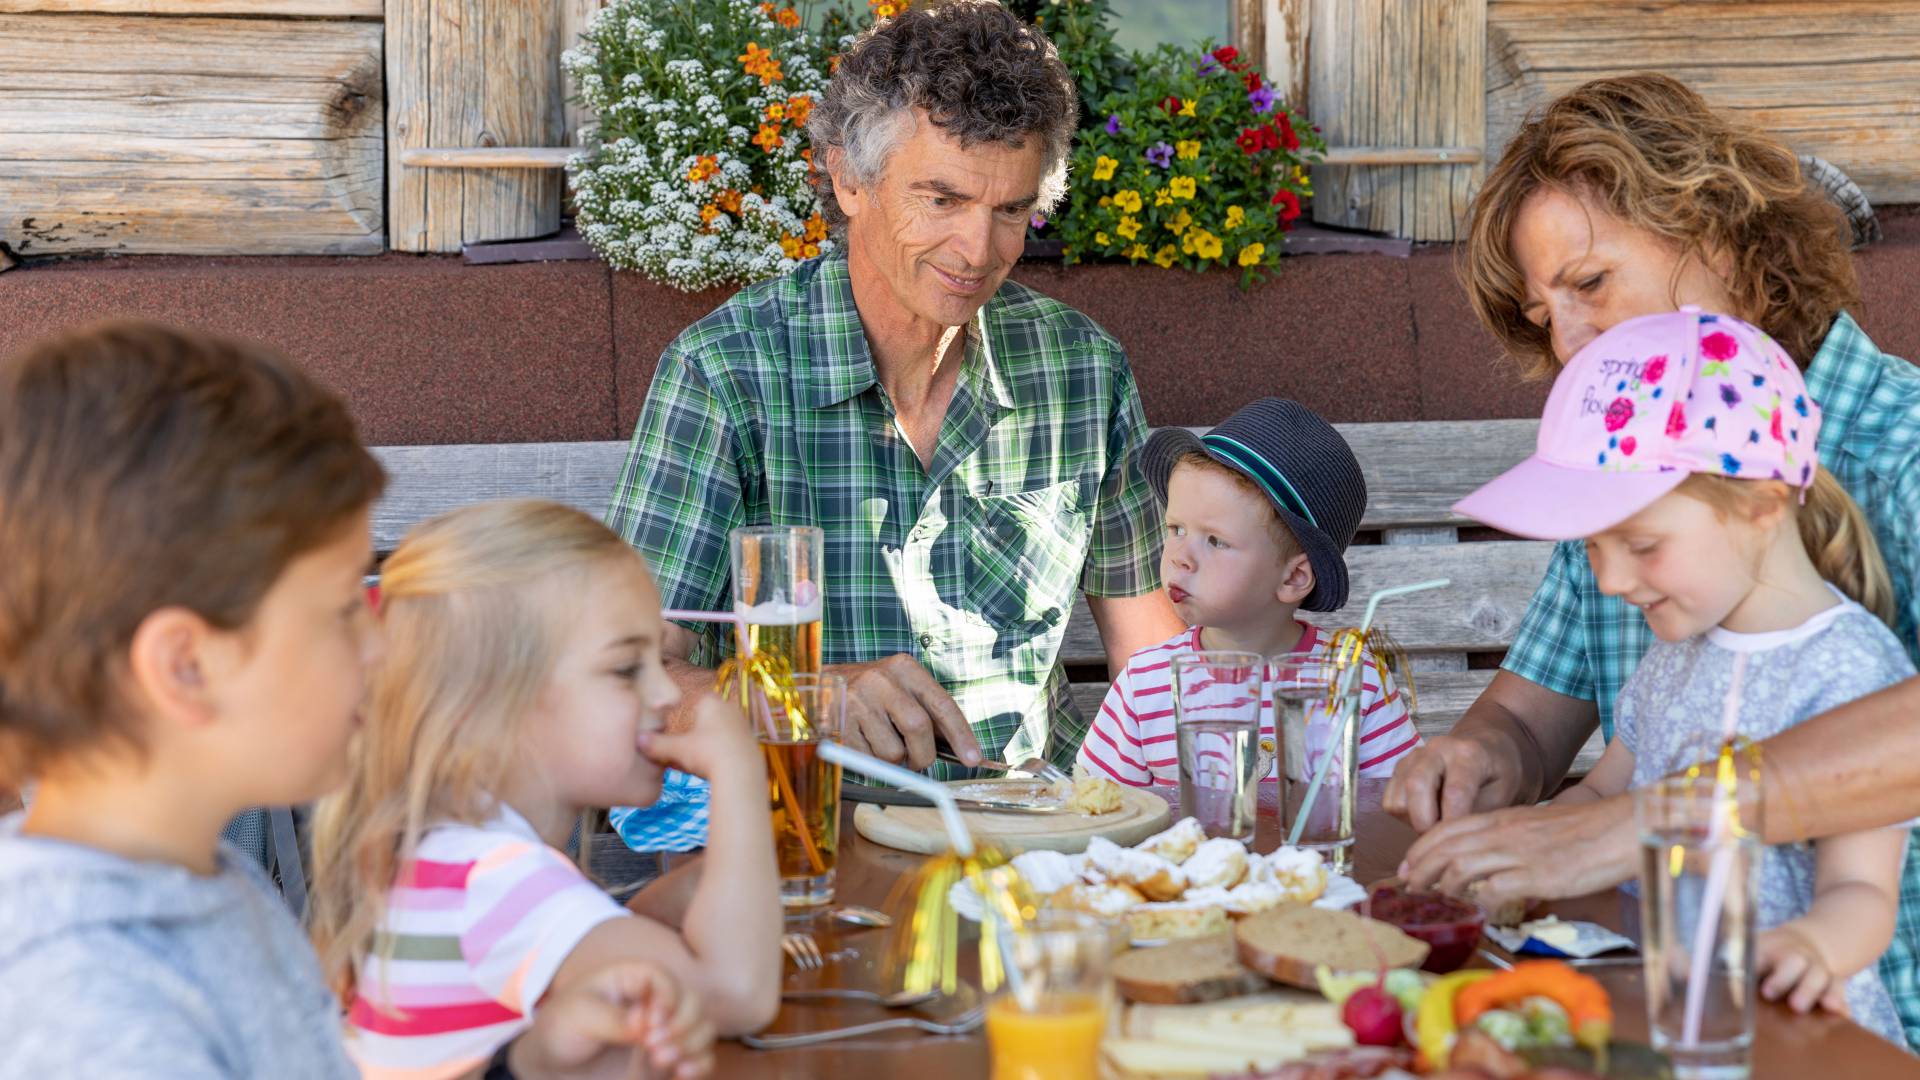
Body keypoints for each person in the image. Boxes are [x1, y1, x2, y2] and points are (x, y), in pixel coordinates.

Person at [0, 322, 712, 1079]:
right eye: (343, 609)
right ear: (186, 667)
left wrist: (523, 1065)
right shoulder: (92, 1006)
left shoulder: (201, 882)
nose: (378, 648)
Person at [1383, 73, 1920, 1046]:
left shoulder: (1907, 445)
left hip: (1861, 1027)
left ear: (1726, 237)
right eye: (1544, 316)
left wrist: (1644, 820)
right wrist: (1481, 760)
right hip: (1669, 995)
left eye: (1589, 283)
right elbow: (1529, 716)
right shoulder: (1631, 469)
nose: (1571, 341)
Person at [607, 0, 1181, 852]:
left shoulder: (1081, 368)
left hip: (1037, 844)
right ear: (848, 180)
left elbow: (1153, 669)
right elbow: (626, 678)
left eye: (1011, 210)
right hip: (808, 842)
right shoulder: (725, 373)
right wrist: (805, 697)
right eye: (941, 199)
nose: (977, 249)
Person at [1455, 309, 1913, 1038]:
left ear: (1762, 507)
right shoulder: (1679, 649)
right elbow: (1608, 790)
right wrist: (1515, 850)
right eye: (1594, 550)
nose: (1609, 582)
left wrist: (1814, 943)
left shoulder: (1848, 669)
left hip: (1789, 1030)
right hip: (1670, 1009)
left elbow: (1861, 888)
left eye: (1640, 543)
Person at [309, 501, 781, 1077]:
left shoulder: (454, 856)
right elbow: (736, 995)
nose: (666, 696)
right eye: (626, 670)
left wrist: (641, 913)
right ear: (494, 706)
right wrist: (740, 770)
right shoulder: (497, 877)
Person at [1077, 399, 1419, 786]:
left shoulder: (1352, 680)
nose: (1180, 558)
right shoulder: (1146, 682)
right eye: (1176, 529)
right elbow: (1100, 810)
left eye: (1216, 541)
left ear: (1292, 578)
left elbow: (1398, 804)